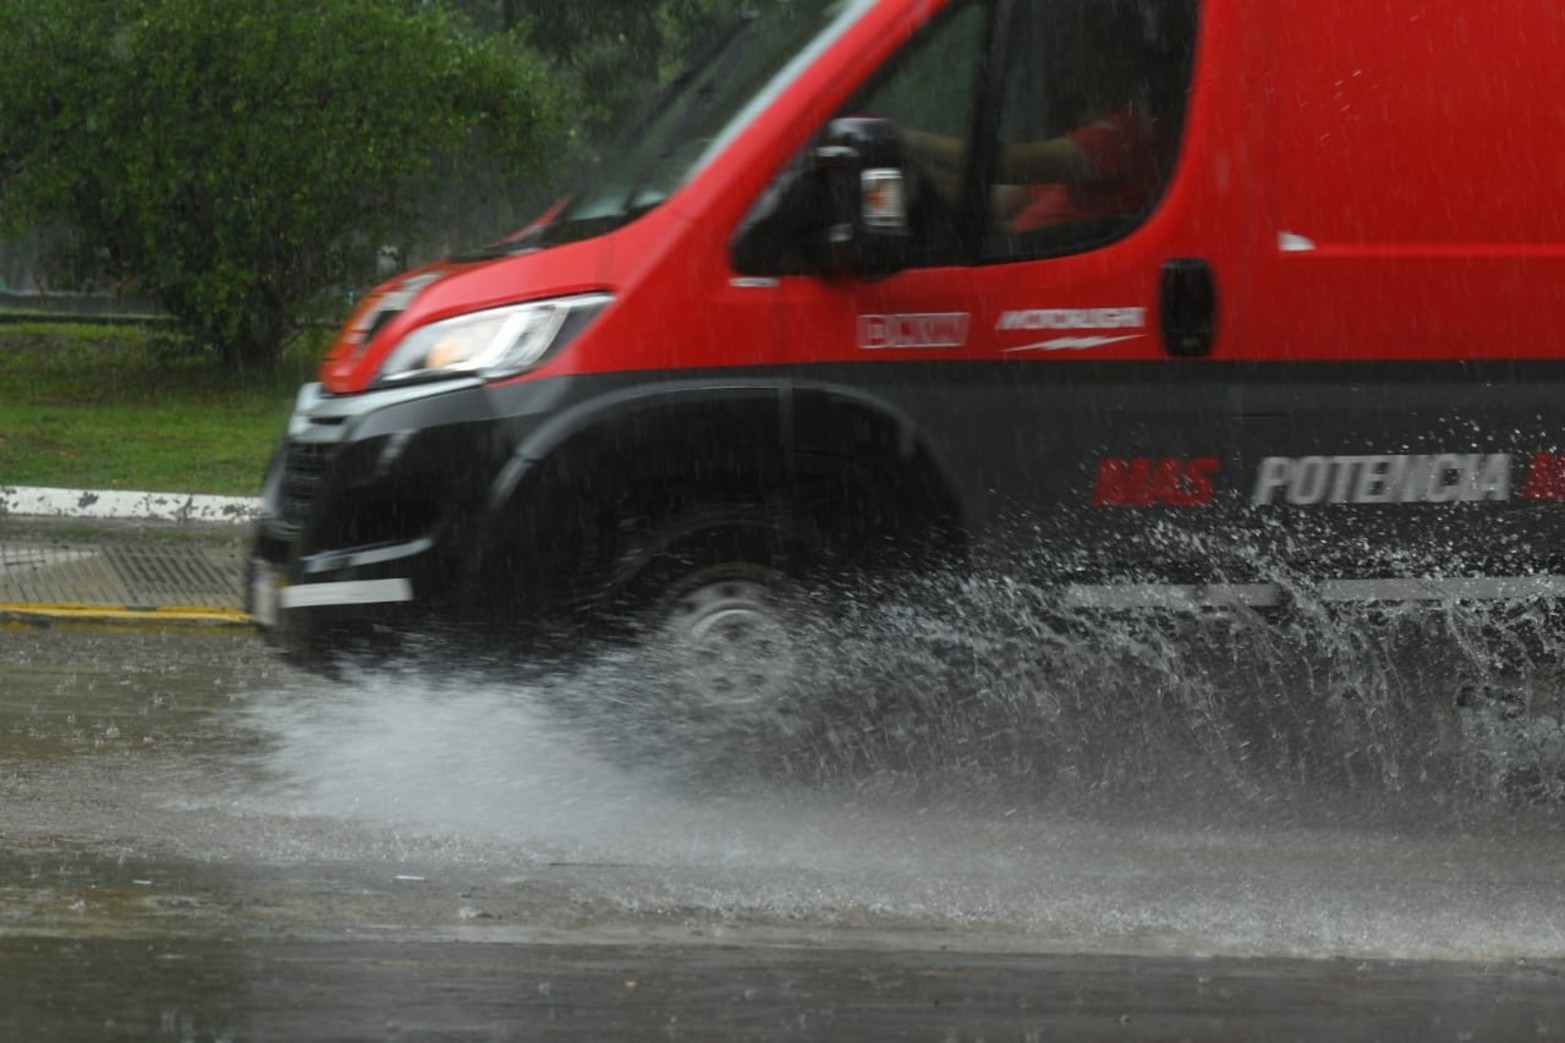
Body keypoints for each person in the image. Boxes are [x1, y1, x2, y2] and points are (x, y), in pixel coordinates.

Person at [904, 14, 1160, 233]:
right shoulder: (1089, 136)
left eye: (1089, 53)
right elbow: (996, 196)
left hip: (1061, 268)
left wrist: (909, 139)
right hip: (1026, 261)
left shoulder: (1125, 133)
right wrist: (918, 174)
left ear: (1120, 60)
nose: (1075, 63)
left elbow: (1007, 165)